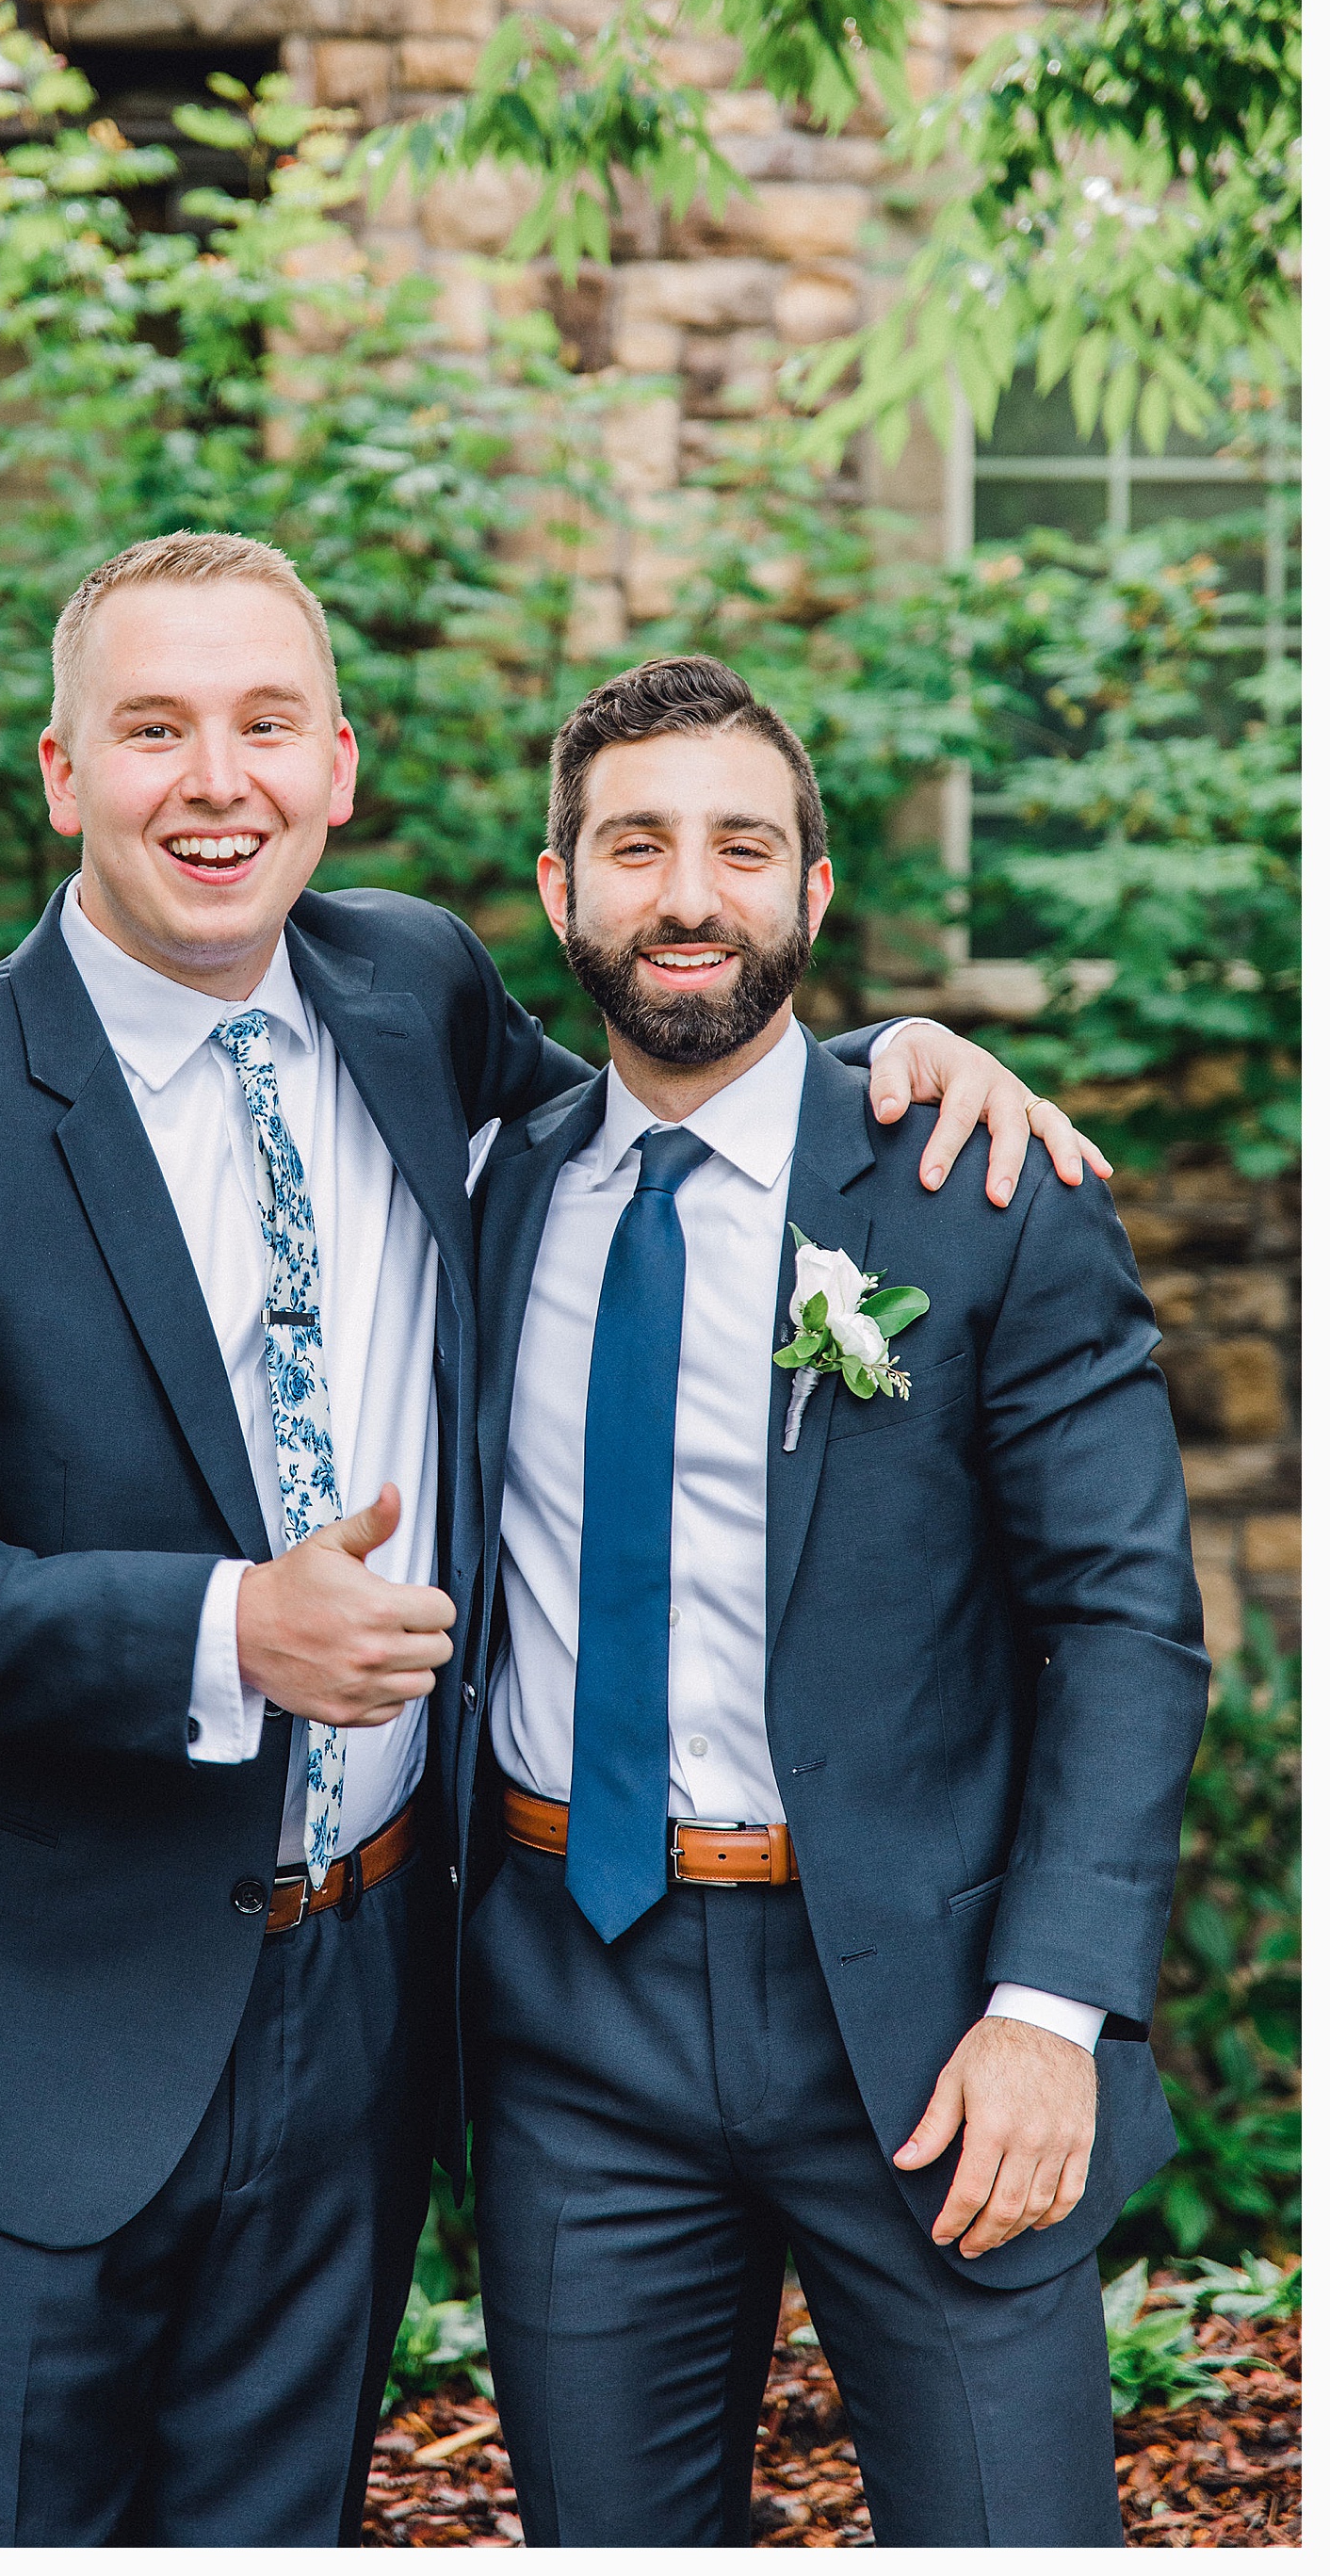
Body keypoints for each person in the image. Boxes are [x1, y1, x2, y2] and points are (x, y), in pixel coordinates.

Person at [0, 537, 1109, 2546]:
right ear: (61, 774)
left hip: (368, 2004)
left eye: (264, 724)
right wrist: (229, 1633)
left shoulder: (408, 990)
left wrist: (884, 1072)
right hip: (35, 2029)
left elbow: (678, 1117)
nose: (216, 780)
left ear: (339, 765)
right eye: (154, 729)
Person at [449, 652, 1210, 2549]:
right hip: (568, 2001)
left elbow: (1125, 1619)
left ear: (810, 892)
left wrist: (1055, 2010)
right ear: (560, 894)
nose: (685, 896)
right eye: (632, 847)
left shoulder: (977, 1188)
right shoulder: (476, 1192)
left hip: (926, 2014)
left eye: (738, 846)